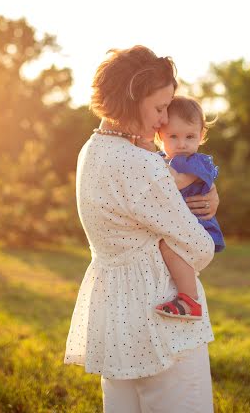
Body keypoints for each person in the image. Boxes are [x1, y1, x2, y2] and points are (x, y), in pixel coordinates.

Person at [64, 46, 220, 413]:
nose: (165, 120)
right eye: (159, 107)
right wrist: (210, 204)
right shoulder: (142, 165)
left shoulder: (91, 151)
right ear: (131, 99)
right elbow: (200, 248)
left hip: (115, 314)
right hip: (162, 317)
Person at [152, 95, 225, 322]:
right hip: (184, 225)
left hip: (199, 226)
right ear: (160, 136)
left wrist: (154, 170)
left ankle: (189, 300)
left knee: (169, 248)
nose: (182, 144)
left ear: (201, 136)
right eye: (173, 136)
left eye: (190, 136)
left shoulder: (193, 162)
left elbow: (175, 184)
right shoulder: (164, 159)